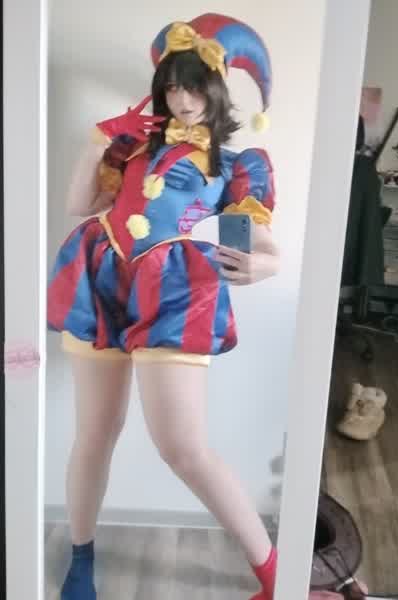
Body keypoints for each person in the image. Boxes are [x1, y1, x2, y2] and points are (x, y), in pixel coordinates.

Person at [48, 13, 279, 600]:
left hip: (174, 290)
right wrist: (100, 140)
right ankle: (81, 558)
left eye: (194, 86)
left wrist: (265, 265)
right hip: (102, 274)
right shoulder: (132, 147)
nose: (182, 99)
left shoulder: (235, 166)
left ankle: (275, 574)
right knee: (95, 433)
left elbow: (258, 245)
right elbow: (79, 203)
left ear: (217, 89)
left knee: (183, 447)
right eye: (172, 87)